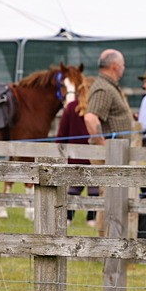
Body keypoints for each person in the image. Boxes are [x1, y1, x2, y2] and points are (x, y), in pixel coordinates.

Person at [56, 74, 97, 226]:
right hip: (95, 157)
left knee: (73, 190)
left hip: (74, 158)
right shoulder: (97, 109)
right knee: (95, 189)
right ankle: (91, 219)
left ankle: (68, 218)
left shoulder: (71, 108)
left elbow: (61, 135)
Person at [83, 49, 135, 147]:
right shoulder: (104, 88)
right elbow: (90, 118)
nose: (124, 68)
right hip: (108, 157)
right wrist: (103, 146)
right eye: (122, 65)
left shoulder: (109, 86)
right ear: (115, 67)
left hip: (116, 154)